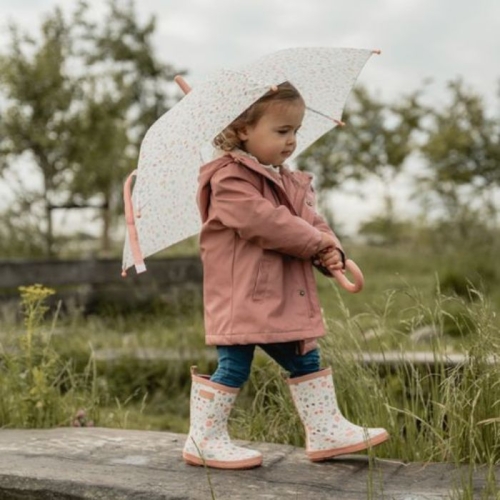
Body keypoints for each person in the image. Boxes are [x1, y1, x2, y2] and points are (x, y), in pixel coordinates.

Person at [182, 82, 389, 470]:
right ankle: (204, 439)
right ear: (243, 129)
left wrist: (330, 248)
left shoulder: (284, 179)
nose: (292, 140)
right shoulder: (228, 179)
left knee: (305, 355)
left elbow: (309, 220)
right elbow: (266, 222)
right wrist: (314, 243)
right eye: (282, 131)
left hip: (281, 294)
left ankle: (325, 429)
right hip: (243, 295)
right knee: (234, 364)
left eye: (295, 131)